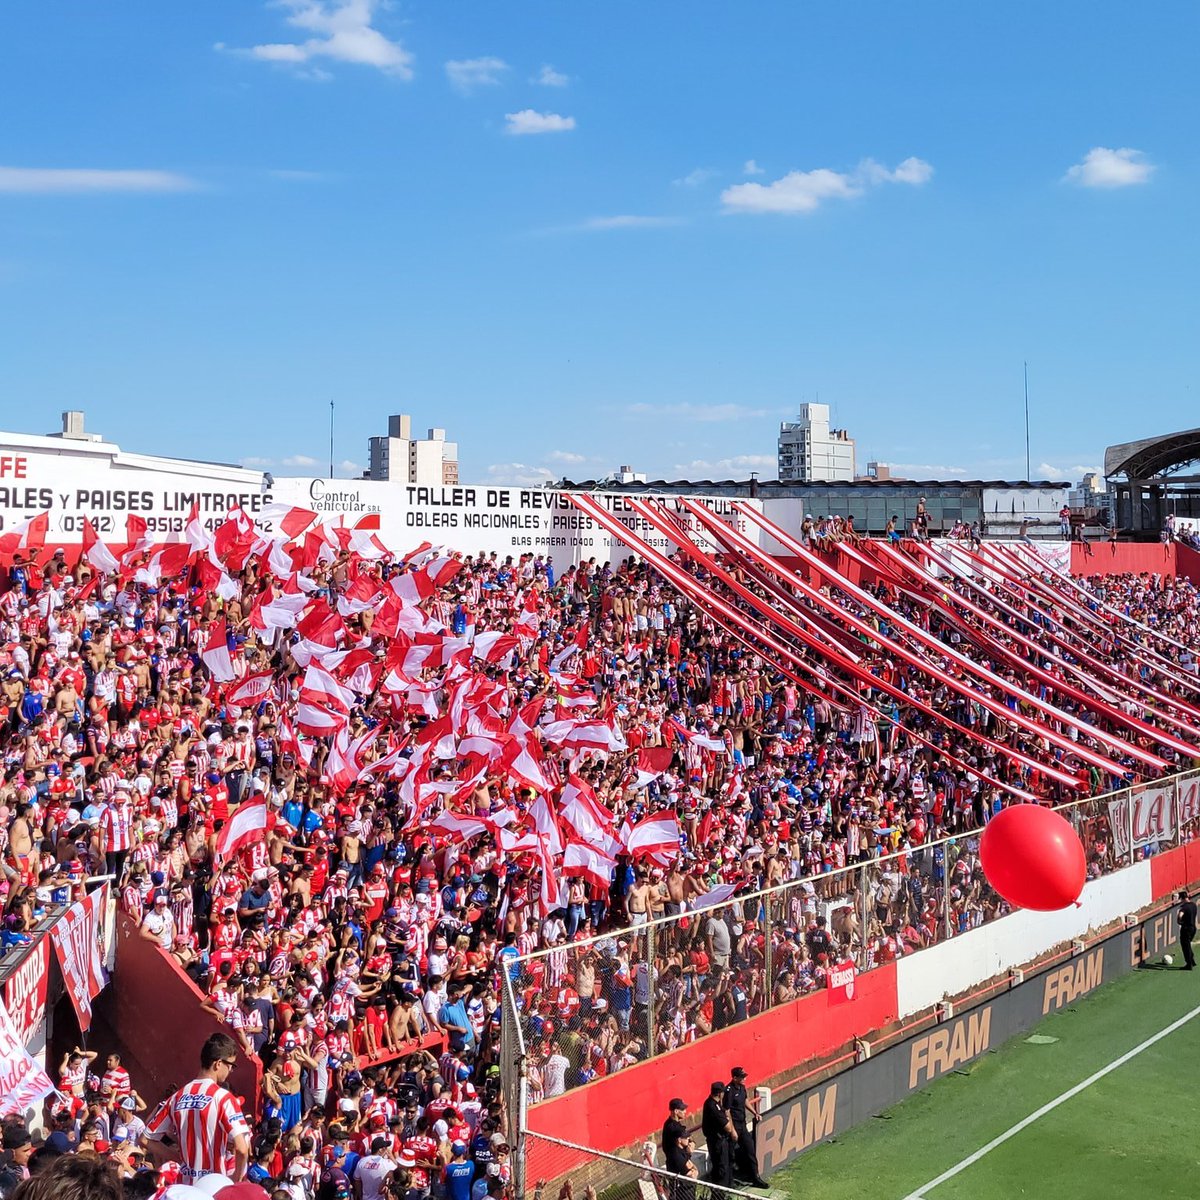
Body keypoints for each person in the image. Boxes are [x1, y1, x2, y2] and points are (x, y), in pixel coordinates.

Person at [144, 1032, 251, 1182]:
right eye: (231, 1065)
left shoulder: (176, 1097)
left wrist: (179, 1159)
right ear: (218, 1064)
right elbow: (242, 1148)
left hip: (185, 1185)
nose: (231, 1071)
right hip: (213, 1186)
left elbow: (146, 1138)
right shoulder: (224, 1098)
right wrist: (235, 1179)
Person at [724, 1067, 766, 1186]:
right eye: (742, 1077)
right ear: (734, 1078)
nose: (744, 1079)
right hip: (734, 1126)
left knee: (750, 1150)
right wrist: (732, 1130)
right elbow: (727, 1111)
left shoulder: (742, 1087)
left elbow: (745, 1101)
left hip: (742, 1124)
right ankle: (730, 1180)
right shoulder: (729, 1091)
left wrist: (755, 1113)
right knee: (730, 1155)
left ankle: (755, 1177)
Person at [700, 1082, 734, 1187]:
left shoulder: (712, 1103)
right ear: (720, 1094)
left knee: (724, 1166)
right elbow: (728, 1128)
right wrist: (728, 1117)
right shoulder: (714, 1107)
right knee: (721, 1169)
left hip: (718, 1141)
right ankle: (720, 1194)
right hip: (717, 1143)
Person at [1178, 890, 1197, 971]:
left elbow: (1180, 915)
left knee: (1185, 946)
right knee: (1188, 945)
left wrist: (1179, 920)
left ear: (1182, 898)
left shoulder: (1184, 907)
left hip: (1186, 929)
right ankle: (1192, 961)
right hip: (1193, 928)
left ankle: (1189, 964)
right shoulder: (1193, 905)